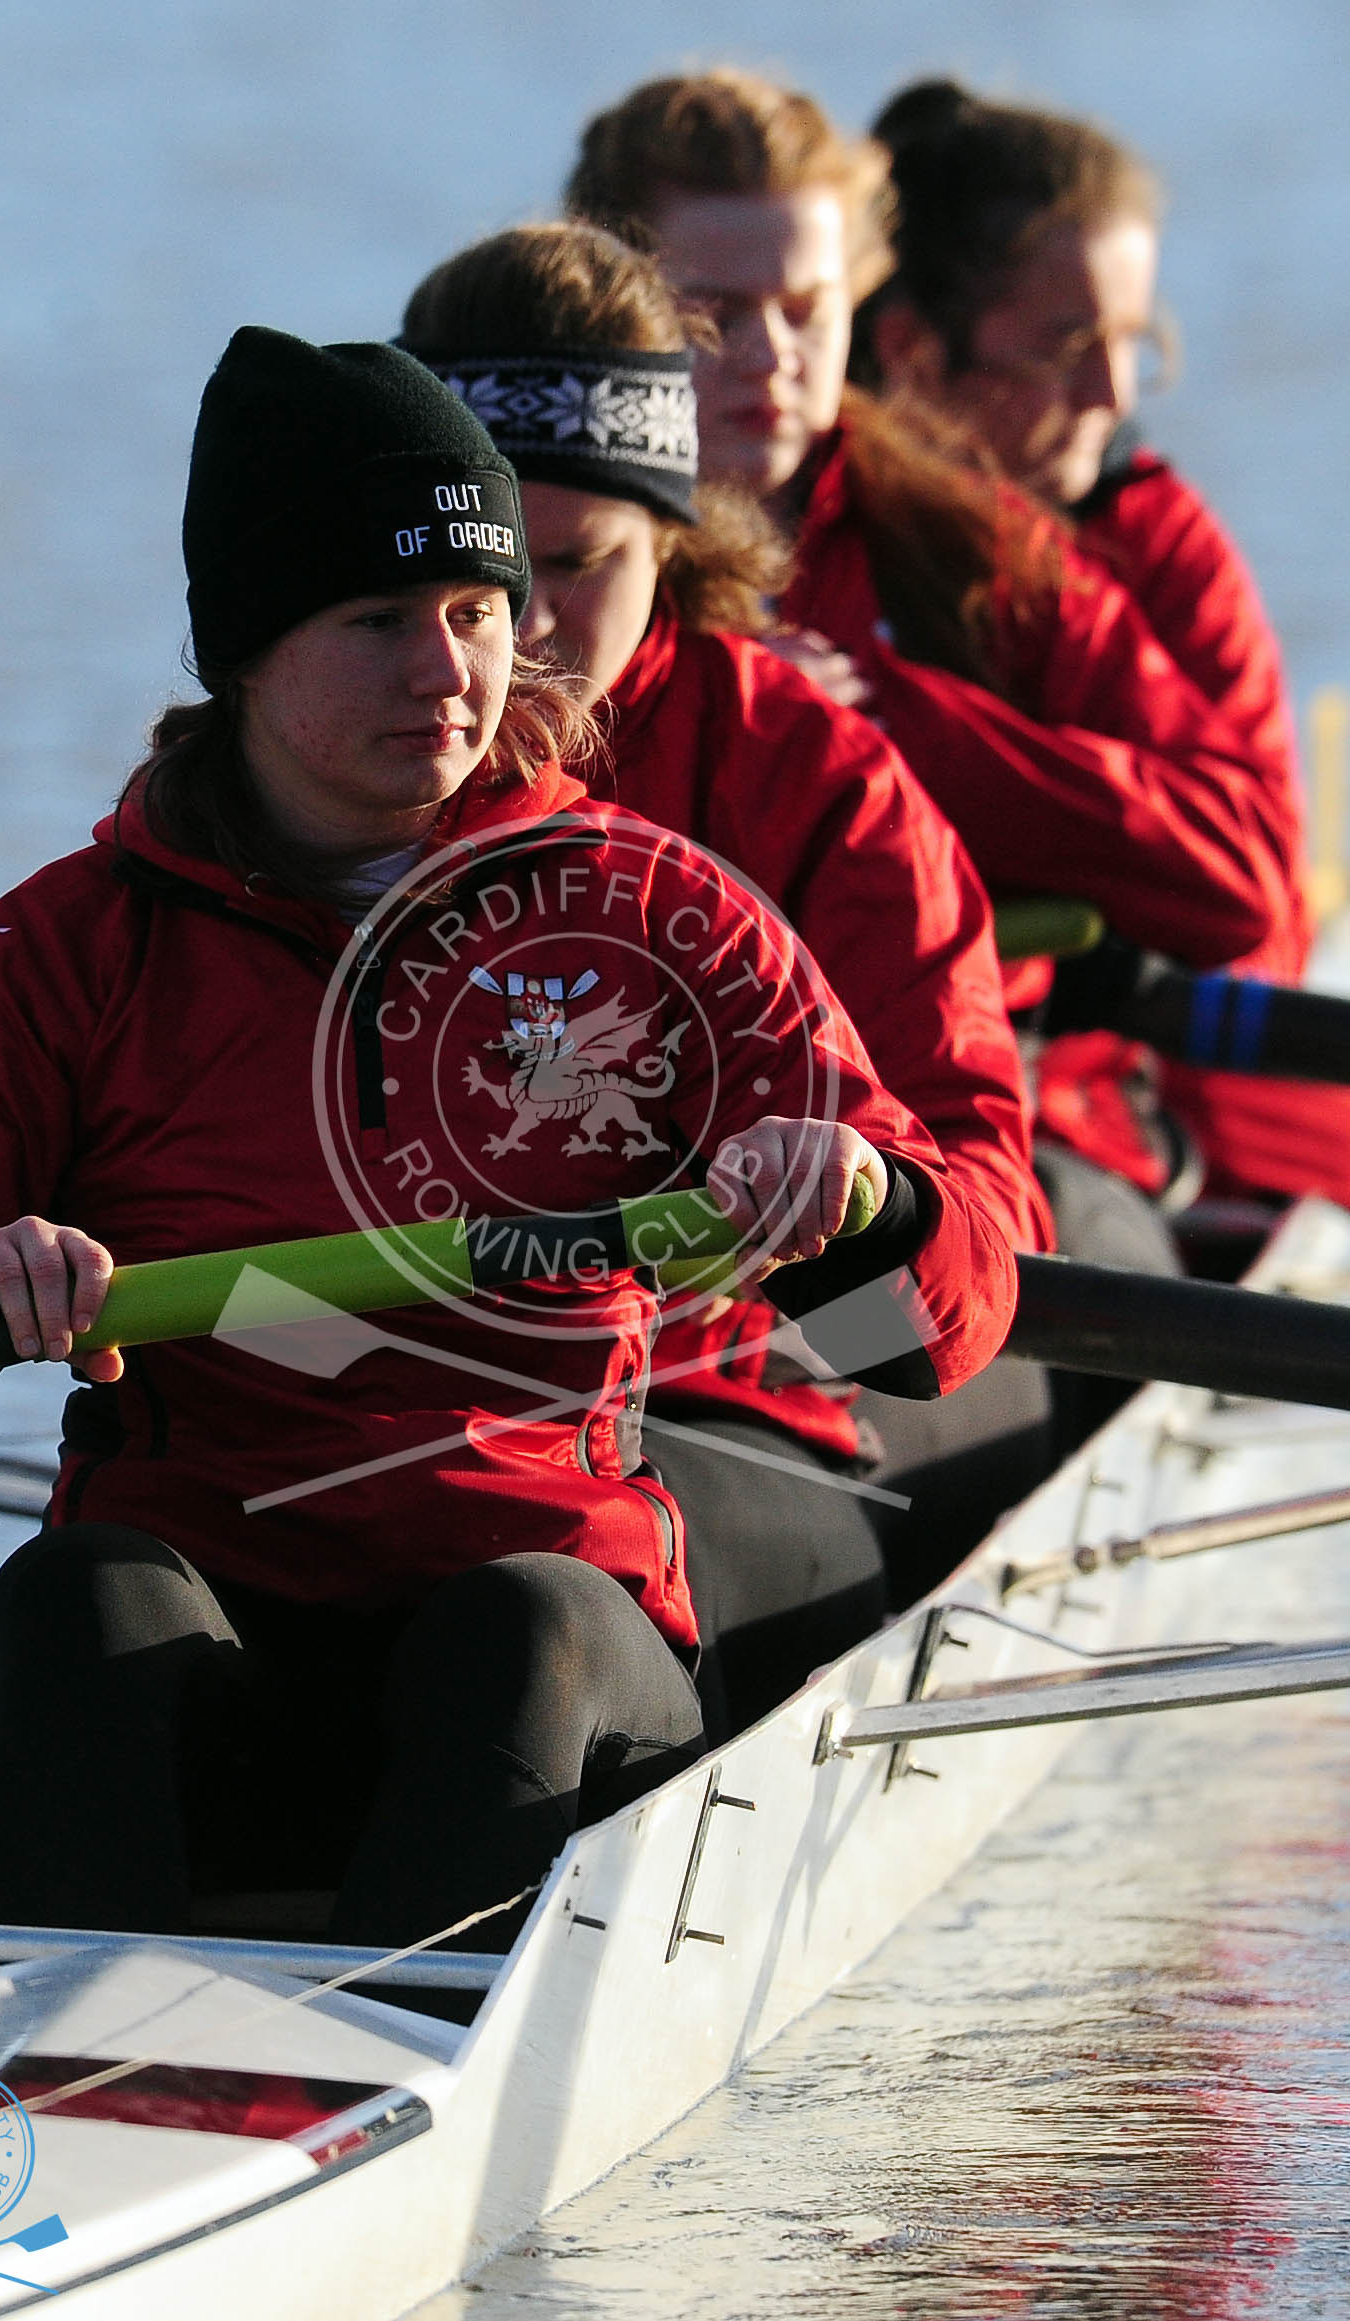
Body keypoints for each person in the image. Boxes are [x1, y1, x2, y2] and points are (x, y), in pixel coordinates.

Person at [0, 330, 1016, 1957]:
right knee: (66, 1603)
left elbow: (919, 1348)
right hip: (211, 1648)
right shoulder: (59, 961)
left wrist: (860, 1210)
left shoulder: (662, 924)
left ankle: (390, 2094)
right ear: (243, 647)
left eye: (473, 613)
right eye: (377, 622)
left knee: (511, 1628)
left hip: (554, 1663)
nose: (447, 674)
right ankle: (51, 2099)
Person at [398, 220, 1053, 1733]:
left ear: (679, 543)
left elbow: (960, 1280)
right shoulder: (320, 770)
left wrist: (856, 1204)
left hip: (736, 1415)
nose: (519, 636)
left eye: (579, 567)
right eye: (475, 572)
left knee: (506, 1582)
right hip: (382, 1417)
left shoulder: (825, 785)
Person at [562, 69, 1301, 1295]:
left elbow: (1240, 874)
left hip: (954, 1174)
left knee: (838, 1340)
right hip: (614, 1174)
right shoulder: (494, 586)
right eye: (716, 315)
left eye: (806, 309)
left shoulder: (976, 545)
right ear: (612, 313)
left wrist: (877, 724)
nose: (771, 359)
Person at [852, 75, 1350, 1218]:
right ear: (910, 350)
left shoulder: (1147, 536)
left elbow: (1255, 911)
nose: (1112, 390)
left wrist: (915, 739)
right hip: (823, 1126)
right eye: (1064, 345)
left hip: (1075, 1101)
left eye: (1129, 339)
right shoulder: (804, 527)